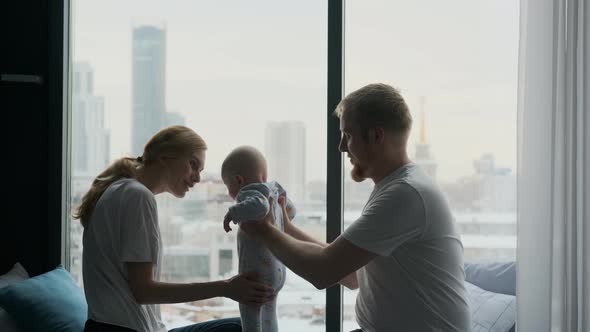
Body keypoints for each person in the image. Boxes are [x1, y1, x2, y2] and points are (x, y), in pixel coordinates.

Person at [241, 84, 472, 331]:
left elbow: (323, 271)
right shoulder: (394, 187)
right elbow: (351, 275)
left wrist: (264, 230)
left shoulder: (405, 194)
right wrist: (284, 228)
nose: (341, 147)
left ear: (376, 136)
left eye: (348, 136)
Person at [73, 126, 275, 332]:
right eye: (193, 165)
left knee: (237, 325)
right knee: (241, 328)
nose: (197, 178)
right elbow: (144, 291)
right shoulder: (137, 196)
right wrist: (226, 288)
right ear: (165, 157)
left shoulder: (118, 190)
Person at [220, 145, 295, 332]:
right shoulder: (274, 189)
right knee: (269, 318)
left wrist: (232, 213)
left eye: (227, 187)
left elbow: (260, 206)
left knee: (251, 320)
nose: (230, 193)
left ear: (238, 180)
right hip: (276, 271)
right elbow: (291, 210)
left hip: (257, 275)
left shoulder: (249, 192)